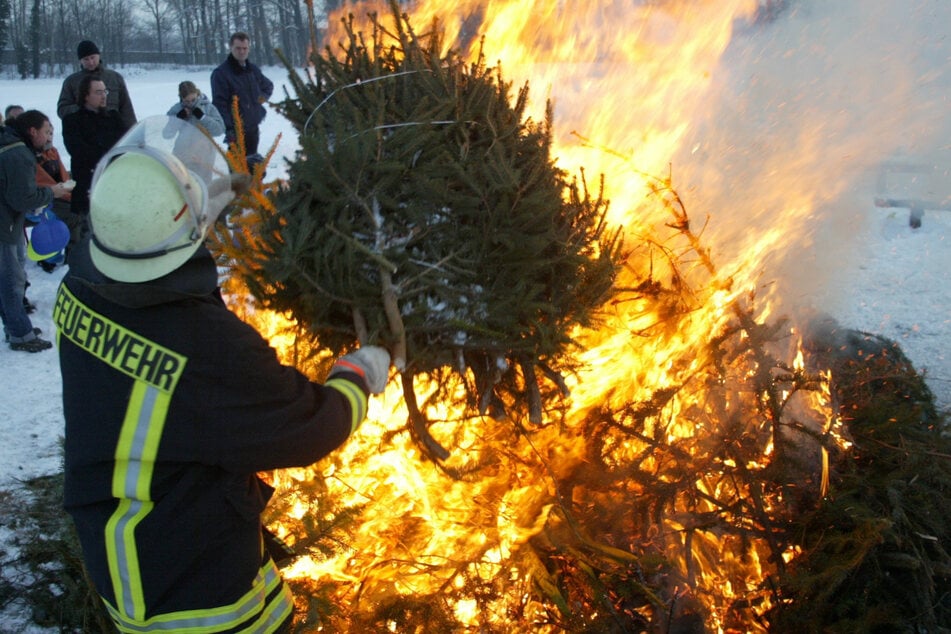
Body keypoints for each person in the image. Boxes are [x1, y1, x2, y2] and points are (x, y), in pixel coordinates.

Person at [56, 116, 390, 633]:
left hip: (116, 537)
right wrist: (356, 375)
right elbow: (308, 427)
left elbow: (153, 259)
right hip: (191, 591)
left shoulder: (80, 285)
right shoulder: (205, 346)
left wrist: (210, 199)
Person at [0, 110, 71, 352]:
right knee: (12, 280)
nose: (49, 136)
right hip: (3, 226)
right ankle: (21, 335)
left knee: (9, 278)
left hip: (7, 222)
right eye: (47, 131)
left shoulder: (12, 145)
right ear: (33, 131)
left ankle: (15, 327)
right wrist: (54, 192)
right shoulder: (19, 154)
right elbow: (23, 198)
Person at [62, 74, 130, 222]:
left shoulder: (114, 117)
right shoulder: (72, 121)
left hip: (115, 184)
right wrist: (107, 155)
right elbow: (78, 150)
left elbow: (127, 143)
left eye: (105, 92)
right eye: (98, 92)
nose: (104, 96)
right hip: (89, 187)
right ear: (85, 96)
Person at [211, 31, 273, 156]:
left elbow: (268, 86)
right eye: (238, 48)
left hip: (253, 128)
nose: (242, 52)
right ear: (231, 48)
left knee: (253, 169)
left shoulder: (252, 70)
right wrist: (229, 128)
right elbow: (219, 105)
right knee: (237, 172)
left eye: (245, 48)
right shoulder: (221, 74)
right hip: (236, 132)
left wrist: (260, 101)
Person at [57, 40, 136, 130]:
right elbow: (62, 110)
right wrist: (83, 107)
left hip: (114, 131)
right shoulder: (71, 81)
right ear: (80, 61)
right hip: (85, 132)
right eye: (86, 59)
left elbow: (126, 109)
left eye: (92, 57)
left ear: (99, 56)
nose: (90, 62)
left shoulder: (115, 78)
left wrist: (133, 133)